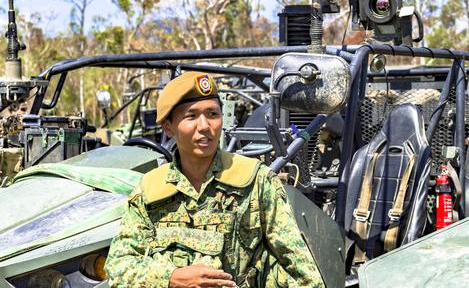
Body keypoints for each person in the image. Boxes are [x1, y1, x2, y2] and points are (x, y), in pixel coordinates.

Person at [104, 71, 325, 288]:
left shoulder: (256, 181)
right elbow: (118, 265)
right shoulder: (150, 190)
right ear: (168, 127)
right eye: (191, 116)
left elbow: (303, 272)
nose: (204, 126)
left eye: (212, 114)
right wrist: (171, 278)